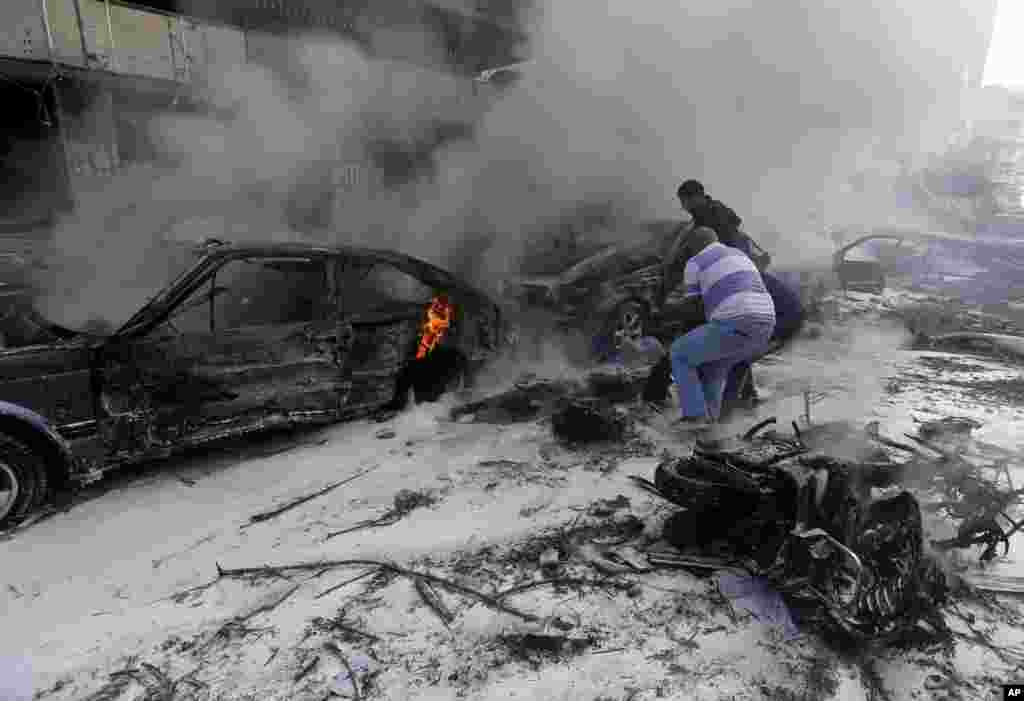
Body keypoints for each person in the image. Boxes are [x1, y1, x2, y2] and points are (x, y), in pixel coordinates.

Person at [667, 226, 775, 431]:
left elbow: (693, 308)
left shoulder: (695, 262)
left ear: (693, 246)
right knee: (713, 369)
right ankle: (712, 426)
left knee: (679, 353)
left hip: (736, 321)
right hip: (766, 324)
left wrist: (669, 309)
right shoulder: (739, 254)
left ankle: (694, 417)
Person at [719, 271, 806, 420]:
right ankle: (748, 396)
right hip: (781, 315)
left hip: (785, 320)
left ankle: (724, 419)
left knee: (738, 359)